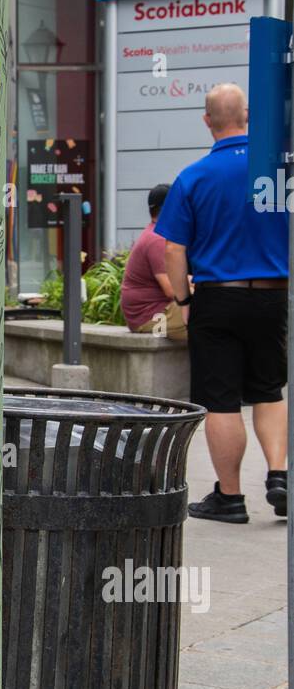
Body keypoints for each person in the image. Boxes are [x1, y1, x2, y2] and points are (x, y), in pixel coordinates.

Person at [155, 83, 288, 524]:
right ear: (247, 116)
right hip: (272, 295)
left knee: (222, 400)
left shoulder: (193, 176)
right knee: (269, 390)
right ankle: (279, 475)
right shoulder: (279, 170)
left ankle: (229, 499)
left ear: (207, 120)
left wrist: (184, 299)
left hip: (217, 297)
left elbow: (174, 250)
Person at [120, 183, 187, 339]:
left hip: (147, 316)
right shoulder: (157, 240)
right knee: (210, 320)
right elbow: (172, 289)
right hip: (150, 321)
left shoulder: (154, 233)